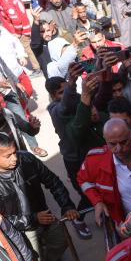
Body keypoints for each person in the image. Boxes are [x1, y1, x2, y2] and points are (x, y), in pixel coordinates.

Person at [0, 133, 79, 261]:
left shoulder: (26, 159)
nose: (14, 158)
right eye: (8, 156)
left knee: (62, 241)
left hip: (44, 215)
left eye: (14, 152)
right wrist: (33, 219)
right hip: (21, 232)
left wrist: (67, 206)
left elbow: (52, 181)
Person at [77, 118, 131, 226]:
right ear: (105, 140)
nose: (119, 148)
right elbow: (83, 179)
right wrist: (97, 202)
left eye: (123, 142)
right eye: (112, 144)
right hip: (128, 226)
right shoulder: (95, 161)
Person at [45, 70, 93, 240]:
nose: (65, 94)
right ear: (52, 96)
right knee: (87, 194)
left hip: (89, 154)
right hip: (74, 159)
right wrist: (71, 83)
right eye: (61, 92)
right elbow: (64, 106)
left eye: (66, 90)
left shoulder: (75, 99)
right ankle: (78, 219)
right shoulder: (54, 109)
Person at [0, 0, 41, 77]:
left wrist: (17, 33)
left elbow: (15, 18)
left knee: (27, 49)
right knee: (29, 48)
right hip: (23, 28)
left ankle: (37, 69)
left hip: (20, 31)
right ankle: (38, 66)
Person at [0, 13, 32, 97]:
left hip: (18, 70)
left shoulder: (2, 30)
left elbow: (15, 42)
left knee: (28, 91)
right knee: (18, 102)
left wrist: (21, 55)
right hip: (6, 77)